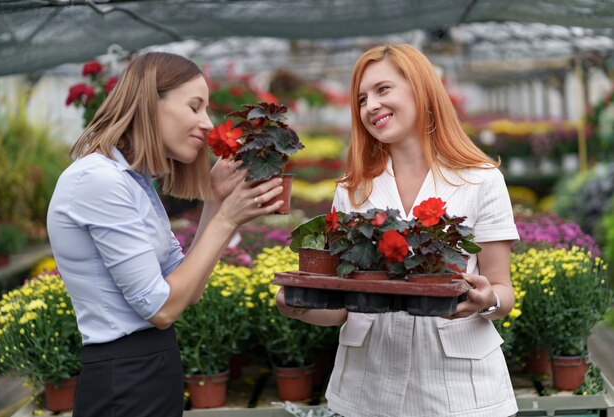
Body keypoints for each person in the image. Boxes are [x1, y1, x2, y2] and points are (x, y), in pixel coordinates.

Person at [276, 44, 519, 417]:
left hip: (459, 393)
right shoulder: (352, 188)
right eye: (362, 98)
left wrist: (486, 299)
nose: (371, 105)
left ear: (420, 90)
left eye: (383, 90)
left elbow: (503, 291)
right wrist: (300, 307)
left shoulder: (480, 180)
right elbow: (343, 305)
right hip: (368, 390)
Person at [47, 52, 284, 417]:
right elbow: (160, 308)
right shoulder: (98, 180)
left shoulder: (135, 182)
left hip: (151, 370)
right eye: (195, 107)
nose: (207, 123)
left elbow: (188, 289)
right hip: (123, 380)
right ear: (149, 104)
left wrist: (216, 204)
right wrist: (226, 220)